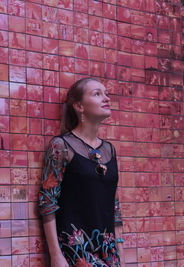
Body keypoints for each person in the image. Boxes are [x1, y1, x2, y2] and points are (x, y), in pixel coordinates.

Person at [38, 77, 123, 267]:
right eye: (97, 94)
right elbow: (47, 202)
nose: (106, 98)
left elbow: (114, 206)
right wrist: (56, 255)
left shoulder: (110, 150)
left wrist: (120, 253)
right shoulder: (61, 146)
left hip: (108, 250)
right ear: (79, 106)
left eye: (106, 93)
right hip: (76, 249)